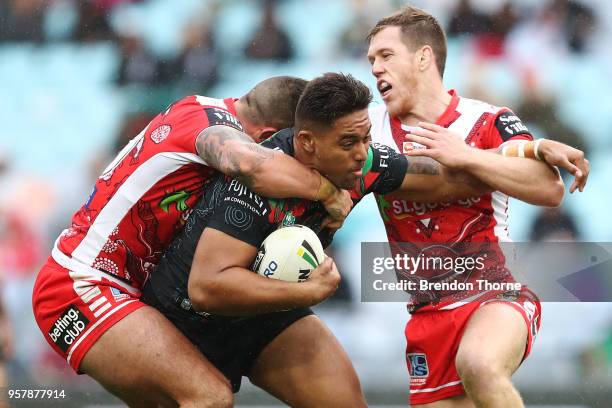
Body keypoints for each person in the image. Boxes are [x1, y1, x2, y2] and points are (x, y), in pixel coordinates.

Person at [141, 72, 566, 406]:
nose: (364, 151)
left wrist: (530, 149)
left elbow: (449, 180)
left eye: (366, 136)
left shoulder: (362, 163)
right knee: (210, 399)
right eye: (349, 142)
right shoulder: (251, 185)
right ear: (306, 143)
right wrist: (307, 290)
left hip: (259, 316)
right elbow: (207, 286)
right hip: (182, 321)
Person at [31, 76, 355, 407]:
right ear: (271, 138)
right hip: (82, 285)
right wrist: (326, 190)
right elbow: (248, 164)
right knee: (207, 398)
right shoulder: (208, 122)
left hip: (150, 294)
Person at [366, 7, 590, 407]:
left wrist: (467, 156)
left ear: (423, 57)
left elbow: (549, 188)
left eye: (386, 56)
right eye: (371, 61)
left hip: (495, 296)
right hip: (427, 316)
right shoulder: (369, 133)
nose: (375, 69)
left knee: (480, 364)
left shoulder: (487, 120)